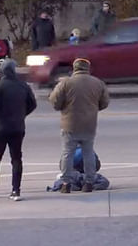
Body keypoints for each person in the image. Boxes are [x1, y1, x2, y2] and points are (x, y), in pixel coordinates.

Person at [49, 58, 109, 193]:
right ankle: (89, 182)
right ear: (88, 68)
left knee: (67, 153)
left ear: (74, 68)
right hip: (89, 124)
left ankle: (66, 183)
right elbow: (104, 102)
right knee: (88, 153)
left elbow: (54, 102)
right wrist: (93, 108)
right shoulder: (97, 83)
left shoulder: (66, 83)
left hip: (69, 124)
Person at [0, 60, 37, 201]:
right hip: (18, 127)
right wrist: (22, 114)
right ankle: (16, 190)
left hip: (0, 127)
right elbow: (32, 104)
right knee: (16, 158)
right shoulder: (23, 86)